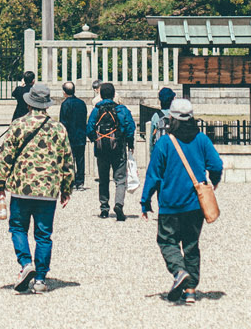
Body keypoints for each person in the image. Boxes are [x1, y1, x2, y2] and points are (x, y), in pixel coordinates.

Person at [0, 82, 74, 294]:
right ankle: (40, 279)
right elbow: (67, 161)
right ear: (46, 105)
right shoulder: (58, 128)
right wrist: (67, 188)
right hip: (48, 188)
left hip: (22, 186)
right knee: (44, 234)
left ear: (29, 103)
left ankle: (26, 262)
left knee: (18, 227)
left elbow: (6, 157)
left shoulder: (18, 125)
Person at [139, 98, 224, 304]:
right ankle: (191, 290)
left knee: (167, 241)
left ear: (171, 118)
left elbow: (154, 175)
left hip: (170, 202)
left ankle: (179, 271)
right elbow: (216, 164)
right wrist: (213, 182)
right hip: (195, 203)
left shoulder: (165, 143)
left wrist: (145, 201)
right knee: (191, 245)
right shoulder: (202, 140)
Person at [88, 81, 136, 221]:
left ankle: (104, 208)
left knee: (103, 179)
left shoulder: (96, 110)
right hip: (118, 148)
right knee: (120, 179)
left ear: (101, 95)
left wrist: (97, 140)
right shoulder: (122, 110)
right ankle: (119, 204)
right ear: (114, 94)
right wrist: (130, 143)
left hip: (102, 150)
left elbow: (89, 129)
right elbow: (130, 128)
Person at [58, 81, 88, 189]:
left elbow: (63, 122)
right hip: (80, 134)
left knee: (69, 160)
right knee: (80, 159)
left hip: (70, 136)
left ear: (64, 92)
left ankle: (70, 180)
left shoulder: (65, 104)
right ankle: (80, 181)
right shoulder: (81, 103)